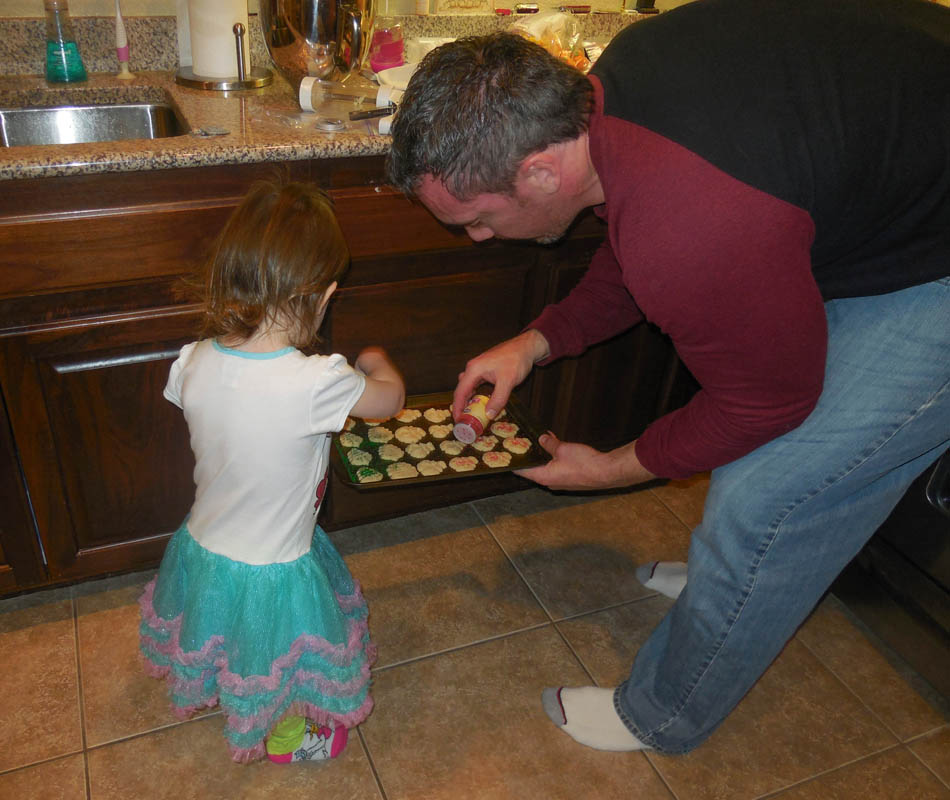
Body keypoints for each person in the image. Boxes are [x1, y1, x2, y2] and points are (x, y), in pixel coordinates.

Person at [386, 0, 950, 755]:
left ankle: (662, 711)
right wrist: (536, 342)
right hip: (897, 183)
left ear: (541, 169)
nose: (478, 237)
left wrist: (612, 470)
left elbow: (766, 398)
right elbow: (645, 231)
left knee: (769, 500)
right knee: (754, 453)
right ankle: (737, 585)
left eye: (476, 220)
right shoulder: (621, 84)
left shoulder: (692, 223)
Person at [139, 177, 405, 763]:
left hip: (204, 543)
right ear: (324, 294)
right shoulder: (316, 382)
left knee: (223, 629)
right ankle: (278, 732)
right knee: (274, 647)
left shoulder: (194, 360)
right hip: (276, 562)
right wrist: (377, 361)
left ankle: (230, 690)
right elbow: (387, 402)